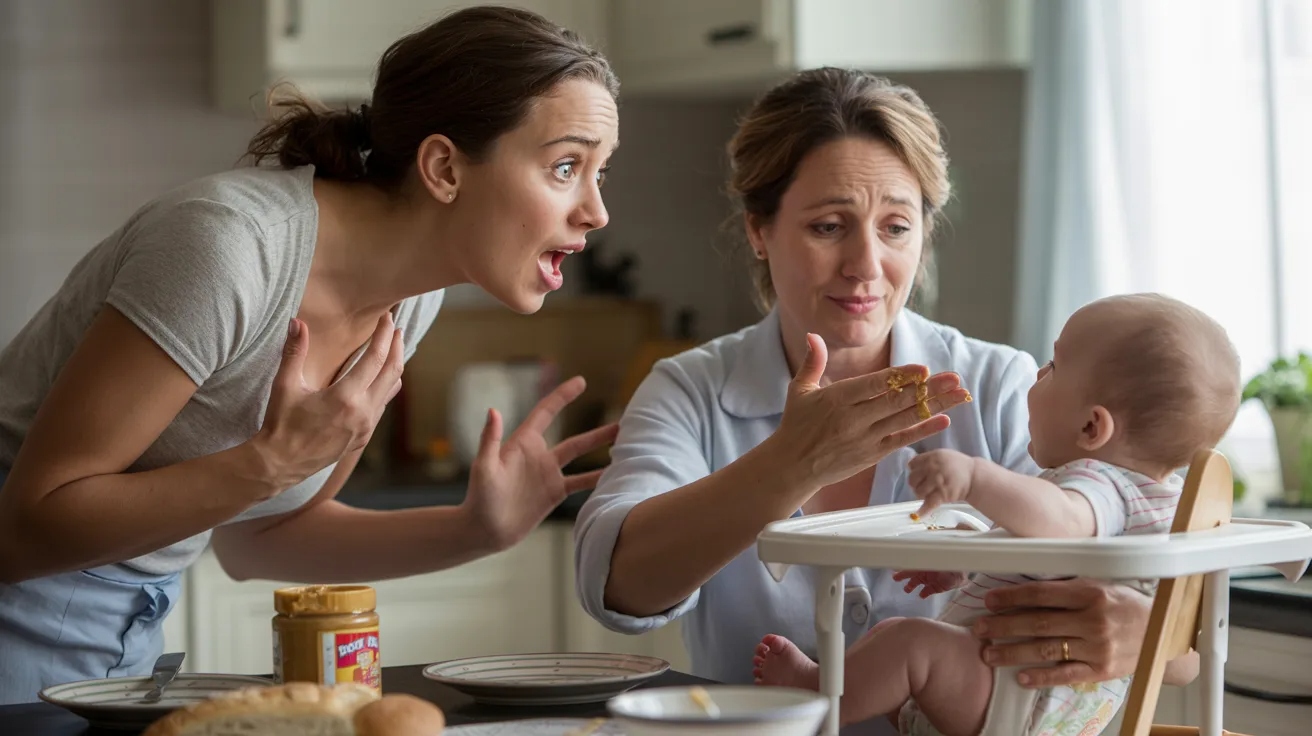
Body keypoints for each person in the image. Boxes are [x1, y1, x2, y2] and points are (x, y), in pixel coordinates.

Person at [0, 6, 620, 704]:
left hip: (123, 645)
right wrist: (265, 464)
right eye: (567, 166)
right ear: (444, 167)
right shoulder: (228, 250)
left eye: (601, 172)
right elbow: (24, 531)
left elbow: (264, 537)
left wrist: (476, 530)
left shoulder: (409, 300)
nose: (596, 211)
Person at [572, 68, 1200, 735]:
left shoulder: (1001, 387)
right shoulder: (689, 391)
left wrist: (1146, 632)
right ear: (759, 230)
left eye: (896, 227)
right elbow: (618, 588)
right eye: (828, 227)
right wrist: (791, 464)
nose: (865, 263)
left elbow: (1178, 618)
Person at [754, 293, 1240, 736]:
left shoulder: (1101, 484)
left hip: (1018, 695)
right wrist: (968, 567)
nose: (1037, 374)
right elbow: (1051, 558)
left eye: (1053, 365)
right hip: (1035, 699)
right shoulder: (1156, 499)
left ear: (1093, 425)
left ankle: (814, 691)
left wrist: (974, 478)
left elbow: (1061, 525)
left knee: (907, 642)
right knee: (896, 642)